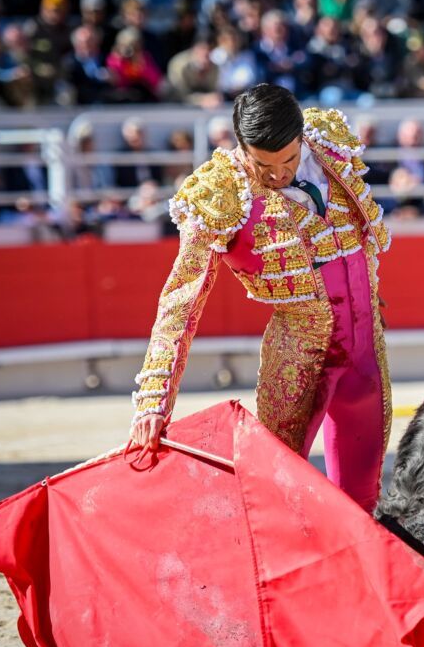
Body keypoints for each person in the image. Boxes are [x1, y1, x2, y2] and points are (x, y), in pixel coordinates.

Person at [129, 84, 393, 513]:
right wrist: (153, 400)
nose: (278, 175)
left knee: (363, 499)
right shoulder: (220, 193)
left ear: (302, 137)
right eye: (264, 165)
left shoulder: (328, 146)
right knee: (277, 499)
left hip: (367, 355)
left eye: (289, 160)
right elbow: (181, 300)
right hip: (298, 360)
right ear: (241, 147)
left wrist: (370, 299)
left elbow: (356, 242)